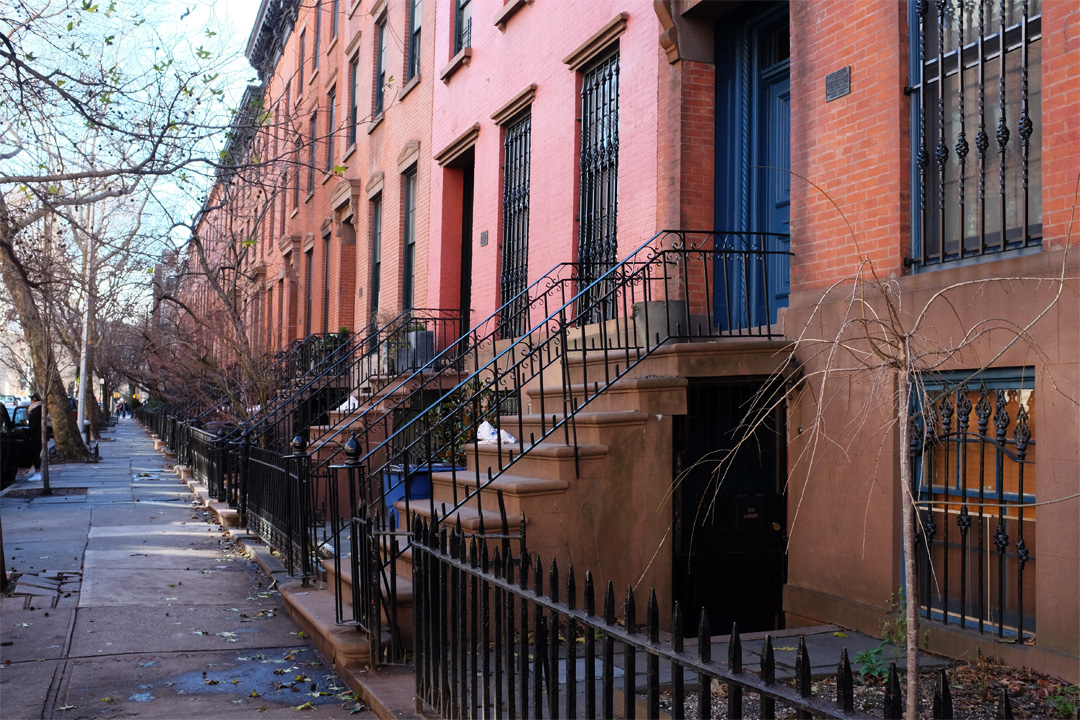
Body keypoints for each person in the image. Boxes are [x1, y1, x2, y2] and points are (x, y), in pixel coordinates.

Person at [27, 393, 43, 480]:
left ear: (34, 400)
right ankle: (37, 472)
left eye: (31, 400)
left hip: (36, 435)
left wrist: (28, 431)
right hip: (38, 435)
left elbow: (35, 424)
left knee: (35, 454)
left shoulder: (36, 410)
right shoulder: (39, 409)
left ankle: (37, 473)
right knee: (36, 454)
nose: (30, 402)